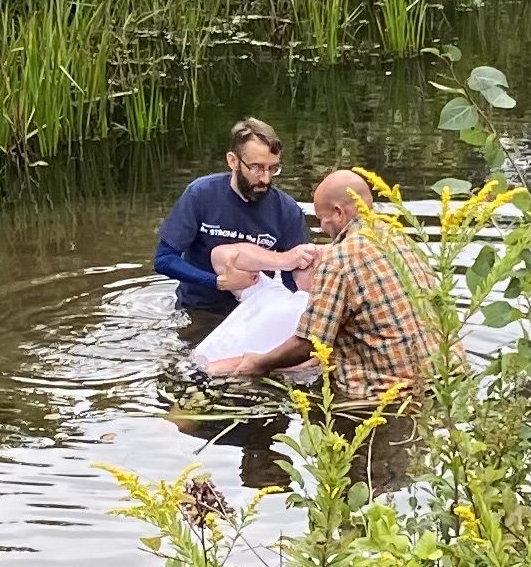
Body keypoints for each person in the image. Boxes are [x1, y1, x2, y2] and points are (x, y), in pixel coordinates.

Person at [207, 170, 441, 403]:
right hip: (440, 378)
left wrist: (258, 363)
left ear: (338, 212)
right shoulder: (400, 240)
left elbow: (309, 344)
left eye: (321, 219)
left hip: (385, 393)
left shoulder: (339, 259)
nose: (321, 230)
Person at [154, 118, 314, 317]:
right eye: (257, 167)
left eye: (273, 168)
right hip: (200, 310)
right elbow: (164, 260)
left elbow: (295, 277)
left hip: (254, 312)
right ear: (233, 161)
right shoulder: (200, 194)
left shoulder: (287, 210)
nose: (266, 178)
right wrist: (217, 282)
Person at [193, 243, 320, 366]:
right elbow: (220, 256)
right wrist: (285, 259)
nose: (313, 255)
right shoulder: (269, 289)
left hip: (228, 375)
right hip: (191, 363)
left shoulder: (321, 313)